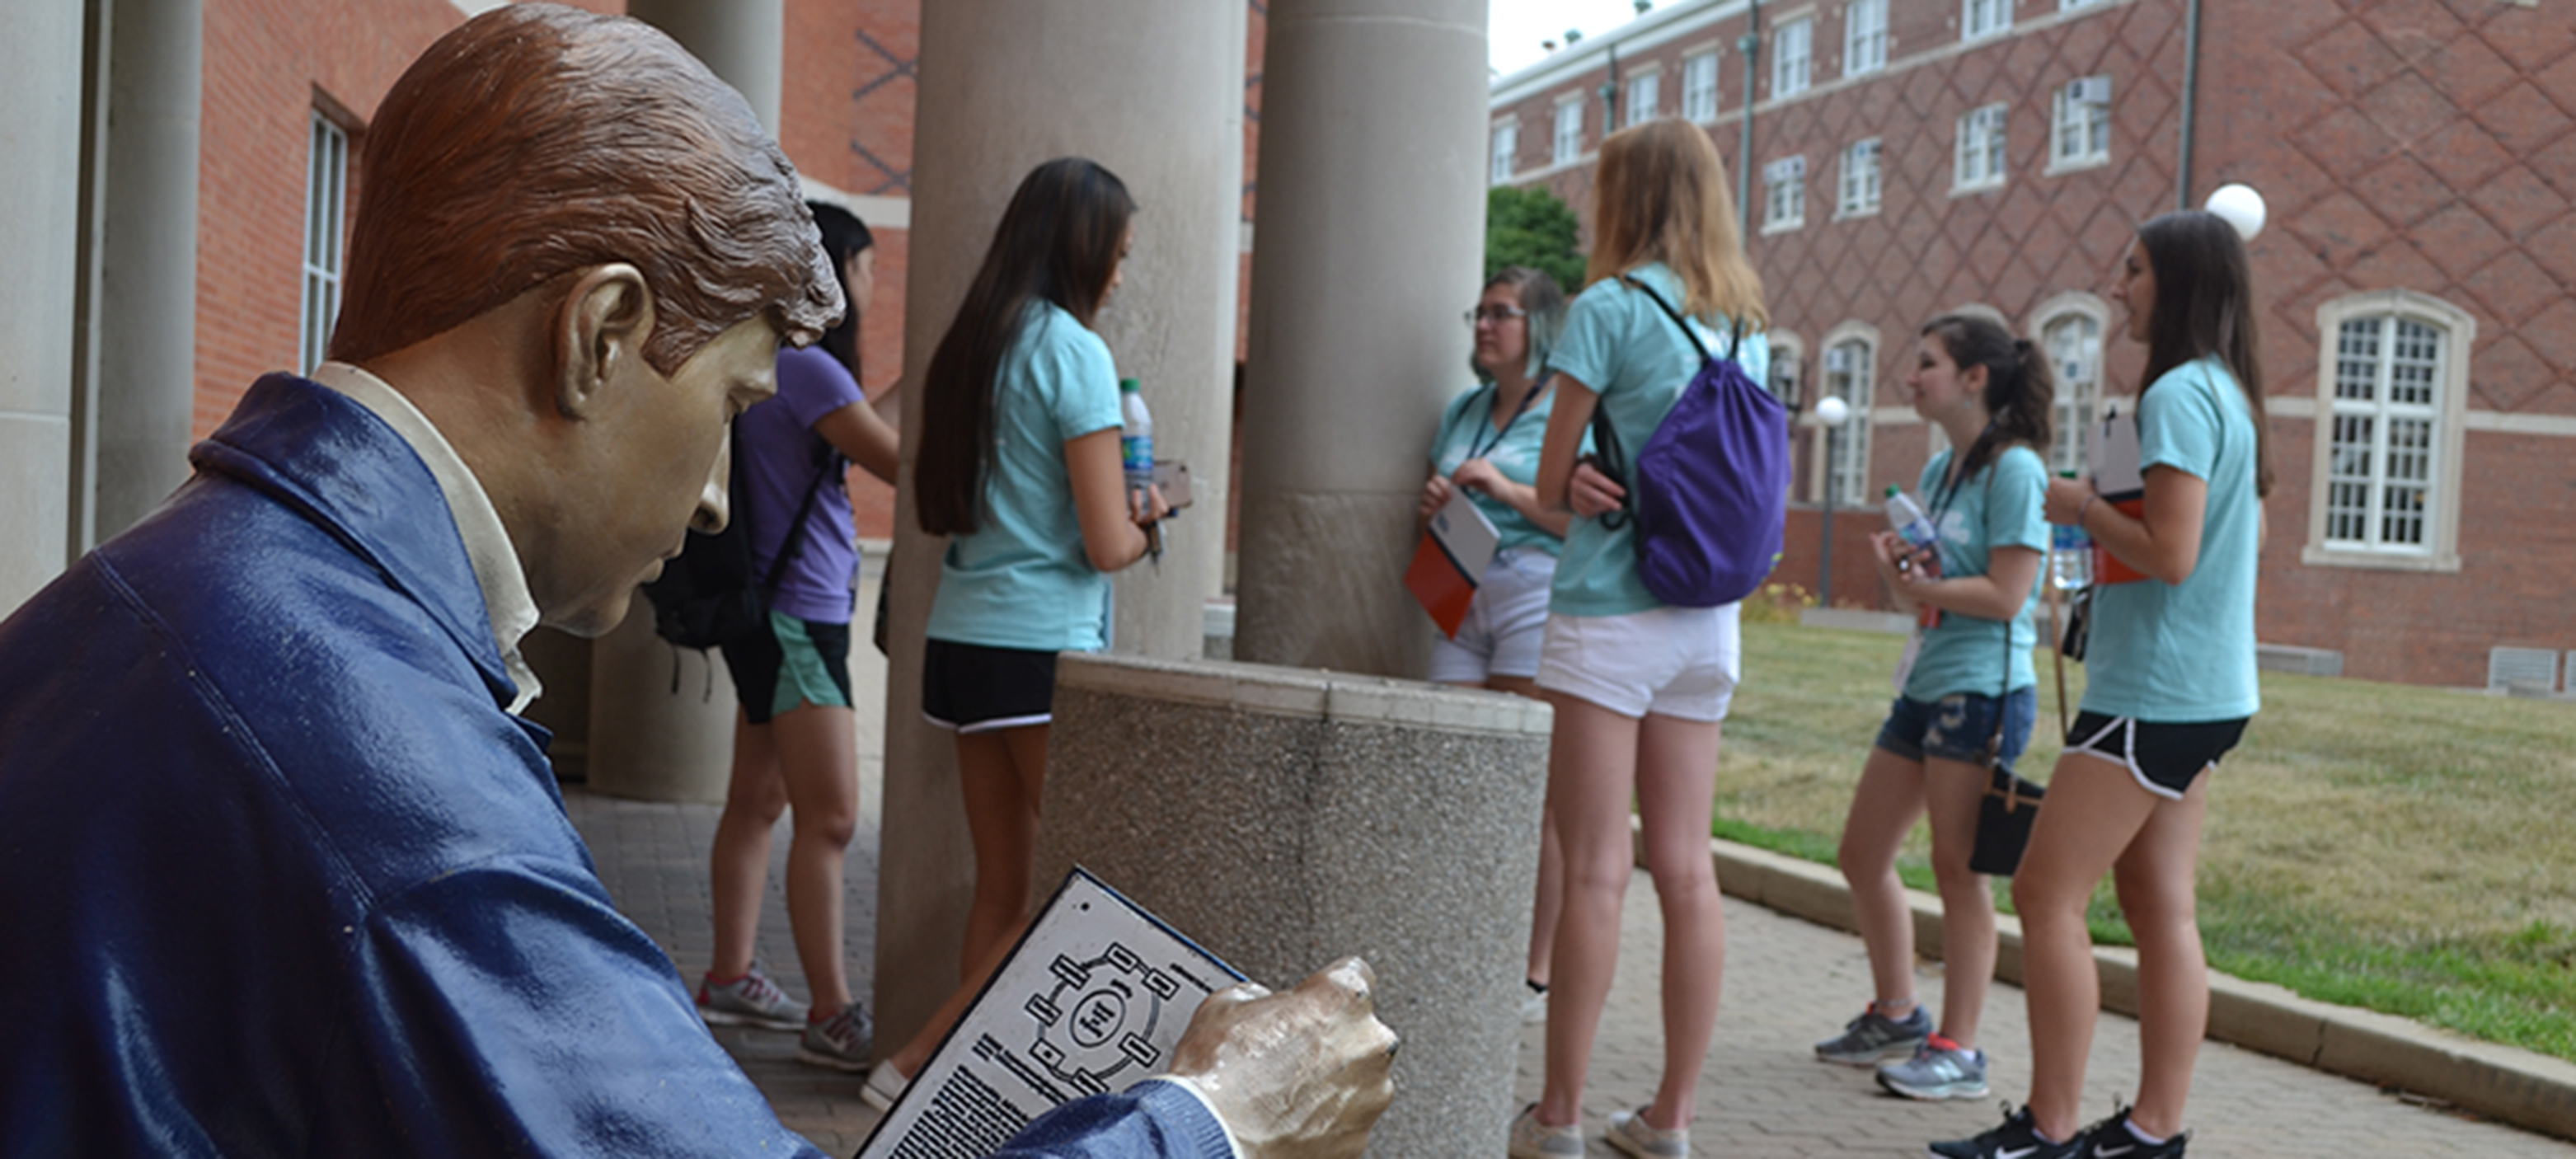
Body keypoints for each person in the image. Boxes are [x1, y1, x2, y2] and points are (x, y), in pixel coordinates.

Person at [0, 8, 1391, 1156]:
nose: (721, 486)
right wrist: (1213, 1120)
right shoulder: (375, 760)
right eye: (734, 399)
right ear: (601, 332)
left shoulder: (152, 585)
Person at [1932, 210, 2269, 1159]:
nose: (2115, 286)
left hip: (2150, 691)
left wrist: (2078, 504)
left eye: (2131, 271)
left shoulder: (2173, 398)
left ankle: (2045, 1126)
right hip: (2204, 689)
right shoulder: (2222, 393)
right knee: (2161, 902)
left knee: (2045, 893)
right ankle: (2148, 1130)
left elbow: (2170, 550)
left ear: (2178, 284)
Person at [866, 156, 1172, 1111]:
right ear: (1082, 249)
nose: (1120, 275)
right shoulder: (1072, 353)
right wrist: (1151, 514)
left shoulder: (975, 342)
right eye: (1116, 254)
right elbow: (1104, 540)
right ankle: (914, 1065)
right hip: (1037, 647)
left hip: (962, 643)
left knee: (1001, 889)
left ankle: (958, 1087)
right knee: (1068, 888)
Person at [1509, 117, 1770, 1159]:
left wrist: (1565, 486)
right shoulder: (1739, 316)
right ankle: (1670, 1117)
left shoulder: (1607, 310)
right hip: (1707, 623)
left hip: (1611, 613)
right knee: (1687, 867)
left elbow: (1547, 484)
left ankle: (1559, 1115)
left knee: (1592, 871)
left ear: (1623, 197)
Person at [1813, 313, 2053, 1103]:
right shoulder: (1951, 467)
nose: (1909, 378)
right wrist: (1903, 576)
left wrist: (1920, 587)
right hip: (1926, 684)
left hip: (1980, 691)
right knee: (1862, 851)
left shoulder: (2013, 470)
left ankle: (1961, 1049)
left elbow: (2010, 595)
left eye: (1926, 364)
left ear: (1974, 377)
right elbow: (1931, 595)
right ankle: (1896, 1014)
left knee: (1959, 870)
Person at [697, 201, 901, 1069]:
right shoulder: (812, 370)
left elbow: (854, 427)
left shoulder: (781, 361)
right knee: (832, 817)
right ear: (834, 270)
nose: (870, 284)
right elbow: (897, 461)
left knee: (757, 801)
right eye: (864, 267)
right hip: (798, 618)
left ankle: (730, 975)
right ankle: (831, 1010)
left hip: (764, 612)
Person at [1415, 265, 1573, 1024]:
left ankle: (1533, 973)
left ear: (1538, 326)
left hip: (1531, 591)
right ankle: (1455, 942)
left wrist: (1504, 491)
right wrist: (1441, 500)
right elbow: (1439, 494)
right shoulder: (1465, 408)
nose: (1483, 326)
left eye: (1500, 313)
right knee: (1455, 773)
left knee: (1524, 788)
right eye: (1476, 312)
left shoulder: (1564, 412)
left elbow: (1583, 522)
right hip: (1458, 588)